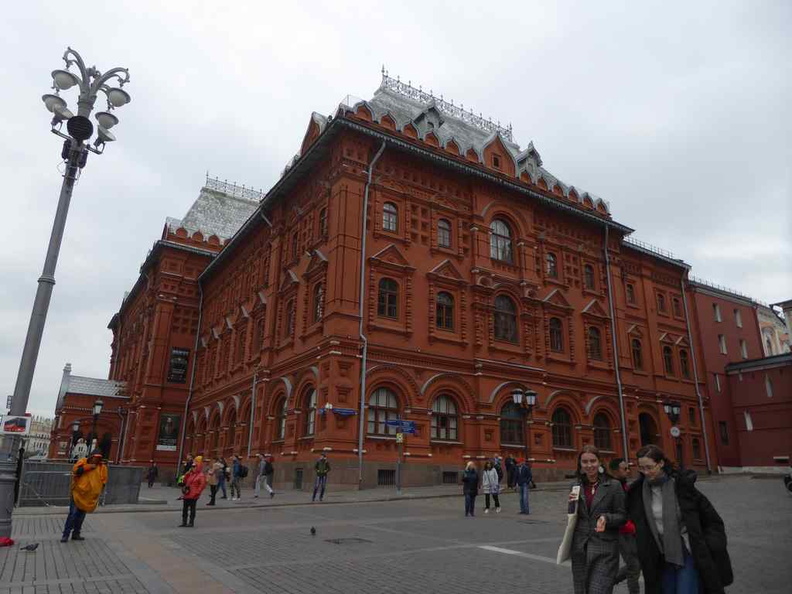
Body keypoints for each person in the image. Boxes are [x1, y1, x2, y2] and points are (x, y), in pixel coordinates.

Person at [627, 444, 733, 594]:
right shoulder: (637, 492)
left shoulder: (682, 486)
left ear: (661, 463)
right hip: (659, 555)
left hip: (686, 551)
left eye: (650, 467)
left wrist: (712, 544)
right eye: (641, 468)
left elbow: (711, 519)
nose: (646, 472)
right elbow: (626, 516)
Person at [568, 445, 626, 594]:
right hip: (581, 548)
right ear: (580, 464)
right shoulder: (575, 486)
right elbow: (573, 515)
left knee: (598, 590)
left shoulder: (613, 485)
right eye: (585, 462)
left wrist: (607, 518)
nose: (589, 465)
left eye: (593, 461)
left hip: (604, 549)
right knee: (582, 591)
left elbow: (623, 516)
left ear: (600, 462)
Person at [61, 449, 108, 543]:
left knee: (81, 516)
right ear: (91, 457)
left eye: (98, 458)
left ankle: (76, 534)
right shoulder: (83, 462)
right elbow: (76, 471)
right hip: (77, 494)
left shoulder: (102, 467)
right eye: (95, 458)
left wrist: (98, 492)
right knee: (73, 514)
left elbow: (103, 481)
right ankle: (65, 535)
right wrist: (88, 467)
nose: (96, 460)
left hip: (89, 497)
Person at [609, 458, 641, 594]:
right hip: (621, 531)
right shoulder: (612, 487)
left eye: (628, 468)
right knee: (634, 566)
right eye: (625, 469)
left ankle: (605, 583)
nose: (628, 471)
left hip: (630, 530)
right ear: (616, 471)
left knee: (635, 564)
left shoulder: (623, 485)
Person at [179, 456, 207, 527]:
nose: (193, 467)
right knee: (185, 509)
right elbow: (184, 481)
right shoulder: (190, 474)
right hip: (187, 493)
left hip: (194, 495)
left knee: (192, 509)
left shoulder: (201, 475)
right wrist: (187, 474)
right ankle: (184, 522)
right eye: (192, 466)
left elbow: (202, 485)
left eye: (194, 466)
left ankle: (191, 522)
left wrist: (197, 492)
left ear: (198, 467)